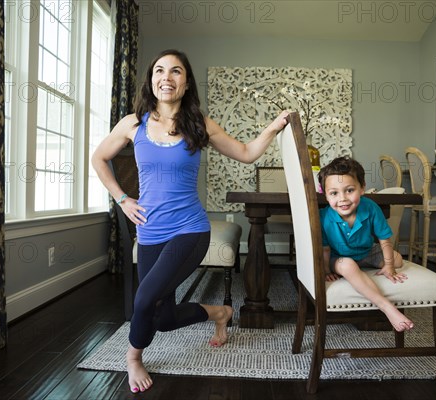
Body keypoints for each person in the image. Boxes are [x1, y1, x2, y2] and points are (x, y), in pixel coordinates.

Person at [91, 49, 289, 394]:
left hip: (189, 230)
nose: (166, 77)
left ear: (186, 83)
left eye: (176, 71)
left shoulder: (199, 124)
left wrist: (273, 127)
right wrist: (122, 200)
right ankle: (220, 313)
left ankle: (133, 357)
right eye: (159, 71)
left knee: (143, 300)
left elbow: (245, 153)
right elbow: (98, 158)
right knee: (163, 319)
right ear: (151, 80)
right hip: (150, 232)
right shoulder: (132, 123)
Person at [317, 156, 414, 333]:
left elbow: (384, 238)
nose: (343, 199)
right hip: (338, 257)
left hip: (367, 252)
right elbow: (325, 248)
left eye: (349, 190)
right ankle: (387, 308)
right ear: (325, 195)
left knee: (398, 259)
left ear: (362, 188)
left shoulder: (370, 207)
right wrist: (326, 270)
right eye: (334, 193)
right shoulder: (324, 217)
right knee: (347, 265)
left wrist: (390, 266)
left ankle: (362, 268)